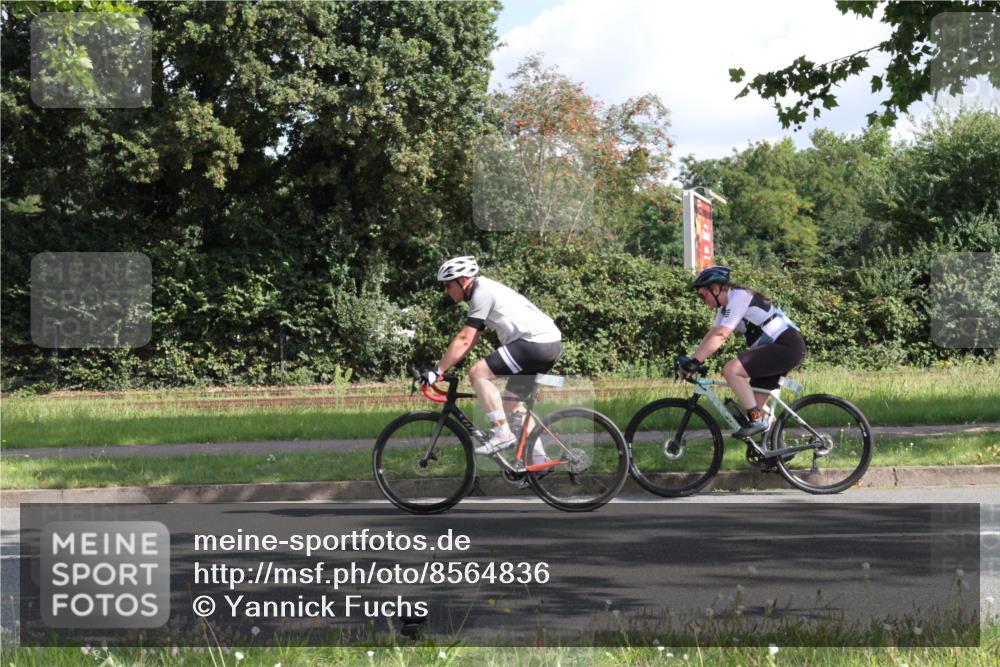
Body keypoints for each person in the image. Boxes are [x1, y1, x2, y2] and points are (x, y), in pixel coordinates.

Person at [419, 256, 562, 458]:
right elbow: (472, 337)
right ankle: (538, 461)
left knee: (477, 373)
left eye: (448, 285)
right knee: (513, 406)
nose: (446, 291)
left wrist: (437, 371)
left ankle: (502, 434)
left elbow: (464, 339)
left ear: (464, 280)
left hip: (534, 343)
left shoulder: (482, 292)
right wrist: (444, 367)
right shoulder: (485, 290)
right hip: (549, 343)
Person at [678, 266, 806, 439]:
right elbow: (713, 333)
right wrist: (693, 360)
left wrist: (695, 362)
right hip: (778, 348)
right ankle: (776, 454)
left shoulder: (739, 297)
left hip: (786, 345)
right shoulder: (724, 307)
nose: (701, 299)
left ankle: (757, 421)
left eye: (702, 295)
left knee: (731, 370)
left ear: (715, 289)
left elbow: (722, 336)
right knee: (754, 404)